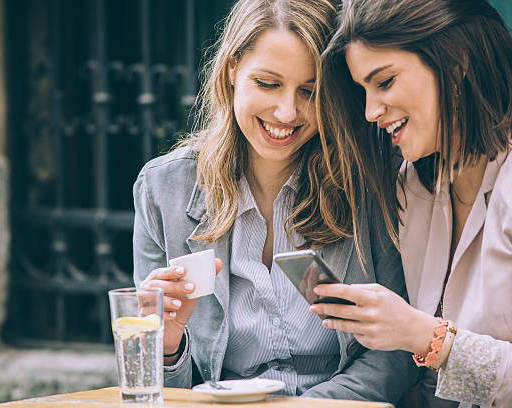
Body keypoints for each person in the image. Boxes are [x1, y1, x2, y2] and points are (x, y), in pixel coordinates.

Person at [132, 0, 419, 402]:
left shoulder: (374, 180)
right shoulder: (164, 188)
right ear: (232, 70)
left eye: (310, 91)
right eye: (267, 84)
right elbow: (162, 387)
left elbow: (396, 355)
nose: (287, 112)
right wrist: (166, 346)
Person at [311, 0, 512, 406]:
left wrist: (425, 336)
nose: (371, 111)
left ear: (456, 62)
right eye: (363, 91)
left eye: (384, 82)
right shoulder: (415, 184)